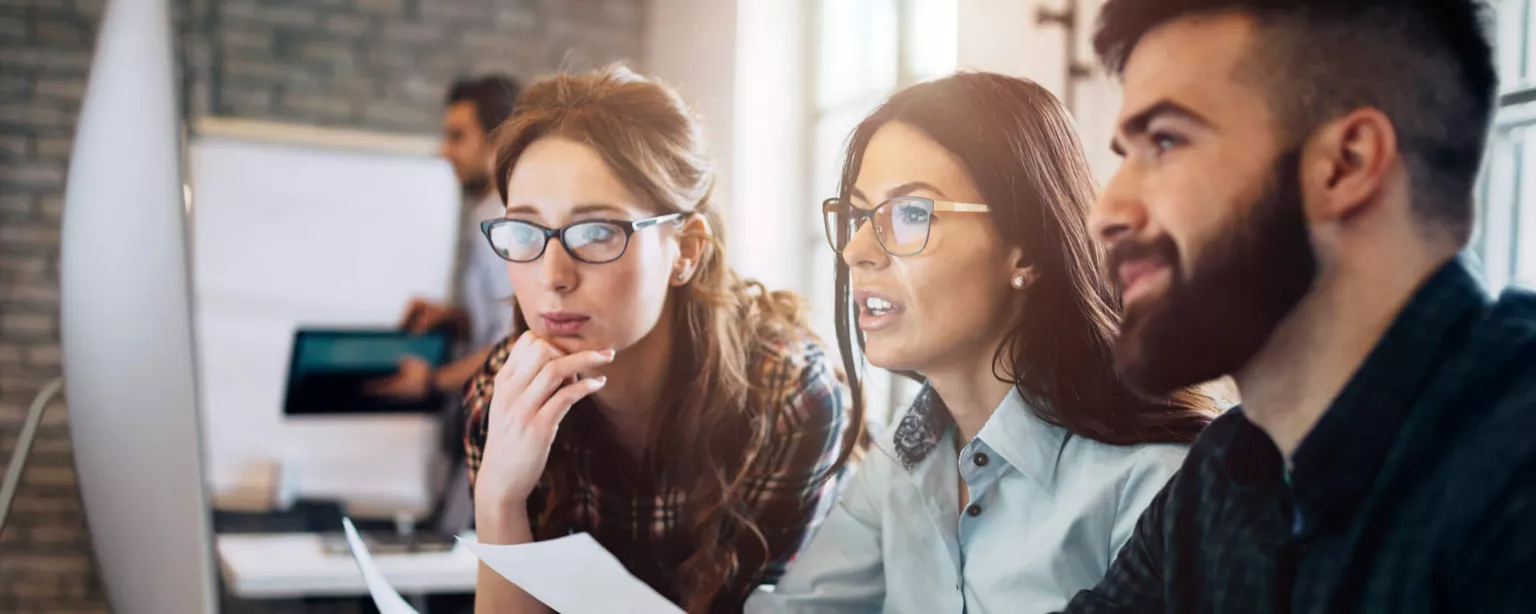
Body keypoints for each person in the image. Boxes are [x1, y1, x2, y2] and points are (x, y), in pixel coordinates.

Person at [1061, 0, 1536, 612]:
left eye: (1166, 141)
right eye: (1127, 154)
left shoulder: (1515, 470)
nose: (1106, 213)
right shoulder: (1221, 480)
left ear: (1345, 165)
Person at [746, 72, 1219, 614]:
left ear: (1026, 252)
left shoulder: (1154, 479)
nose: (856, 250)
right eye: (857, 216)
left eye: (911, 213)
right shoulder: (904, 460)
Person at [462, 65, 859, 614]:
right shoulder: (503, 397)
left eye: (598, 231)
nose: (552, 274)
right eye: (526, 231)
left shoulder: (786, 397)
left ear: (686, 250)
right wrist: (499, 497)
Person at [370, 74, 521, 405]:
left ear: (498, 141)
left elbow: (515, 341)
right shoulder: (484, 211)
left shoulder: (504, 223)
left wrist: (433, 380)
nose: (445, 151)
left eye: (457, 137)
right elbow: (499, 320)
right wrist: (454, 318)